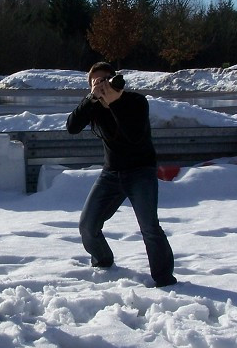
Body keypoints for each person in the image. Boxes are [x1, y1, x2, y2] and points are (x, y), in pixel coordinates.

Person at [66, 62, 177, 287]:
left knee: (149, 227)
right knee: (87, 225)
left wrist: (115, 103)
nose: (102, 85)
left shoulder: (136, 102)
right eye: (96, 83)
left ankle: (164, 279)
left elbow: (134, 137)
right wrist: (90, 99)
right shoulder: (94, 106)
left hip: (141, 171)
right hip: (111, 173)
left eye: (105, 79)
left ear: (115, 79)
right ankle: (103, 260)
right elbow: (72, 126)